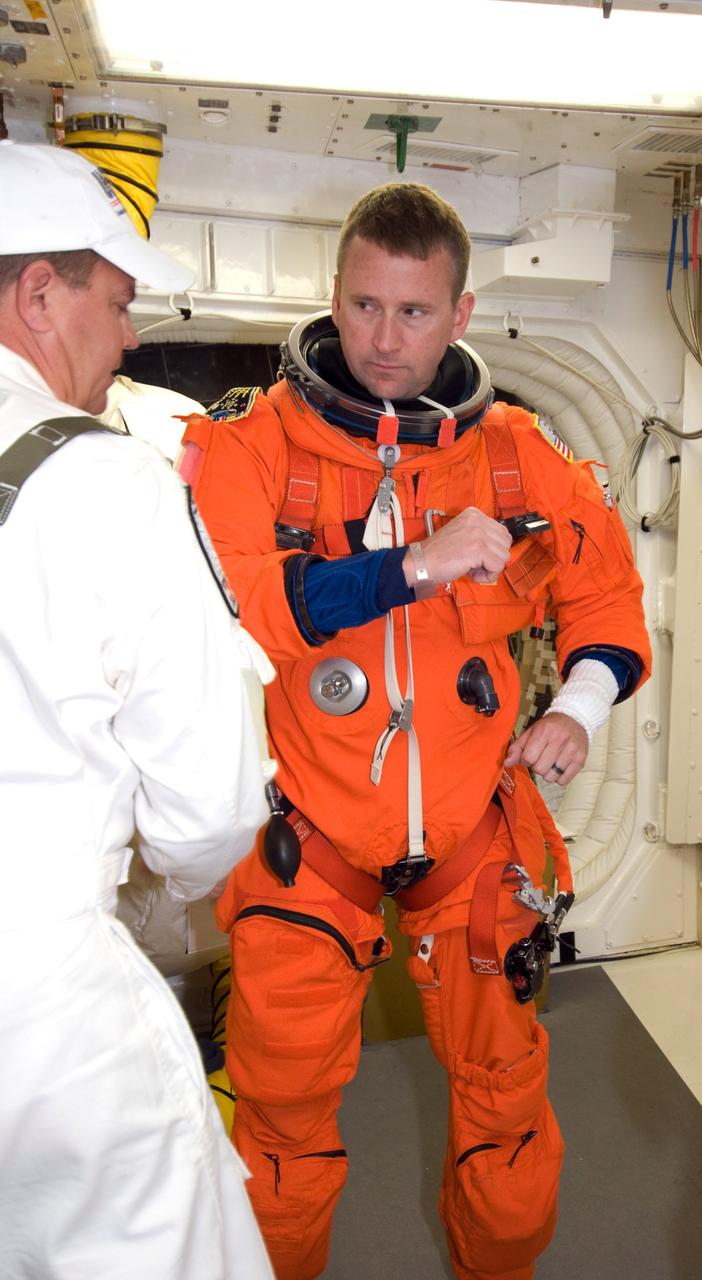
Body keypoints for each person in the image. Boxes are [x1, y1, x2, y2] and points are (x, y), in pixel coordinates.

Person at [183, 181, 651, 1280]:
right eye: (362, 306)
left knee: (505, 1103)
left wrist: (579, 707)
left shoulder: (516, 454)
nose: (383, 340)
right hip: (309, 832)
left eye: (412, 312)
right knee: (283, 1124)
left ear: (462, 313)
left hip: (473, 828)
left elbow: (607, 602)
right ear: (332, 298)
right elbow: (248, 607)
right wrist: (412, 565)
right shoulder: (253, 450)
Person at [0, 140, 276, 1280]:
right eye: (116, 304)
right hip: (40, 1001)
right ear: (38, 292)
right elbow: (209, 806)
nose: (128, 339)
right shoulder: (108, 477)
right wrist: (167, 875)